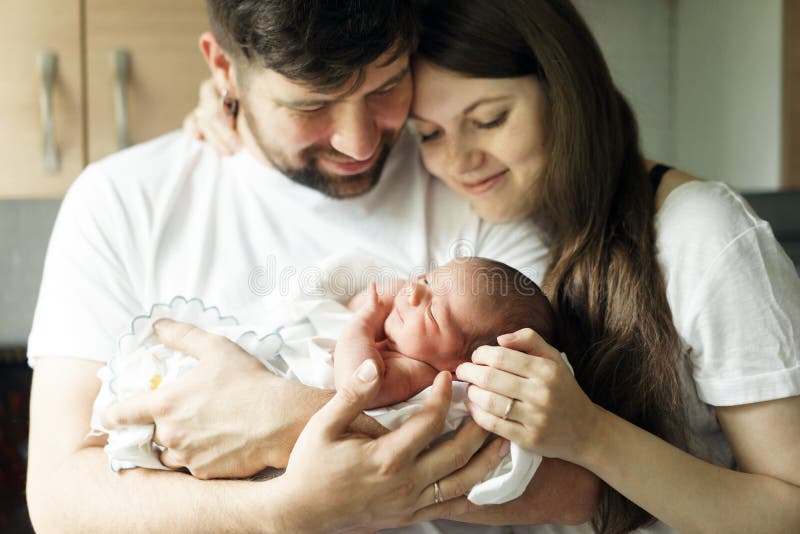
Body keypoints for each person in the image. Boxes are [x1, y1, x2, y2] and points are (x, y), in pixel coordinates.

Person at [187, 0, 800, 532]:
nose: (460, 160)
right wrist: (232, 100)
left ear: (566, 88)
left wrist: (589, 434)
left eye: (490, 119)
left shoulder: (701, 233)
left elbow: (790, 510)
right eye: (428, 134)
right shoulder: (509, 229)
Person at [25, 1, 598, 532]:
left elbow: (577, 483)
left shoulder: (472, 183)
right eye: (311, 104)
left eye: (388, 85)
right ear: (223, 67)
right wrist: (276, 511)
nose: (358, 142)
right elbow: (60, 496)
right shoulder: (123, 201)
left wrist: (282, 418)